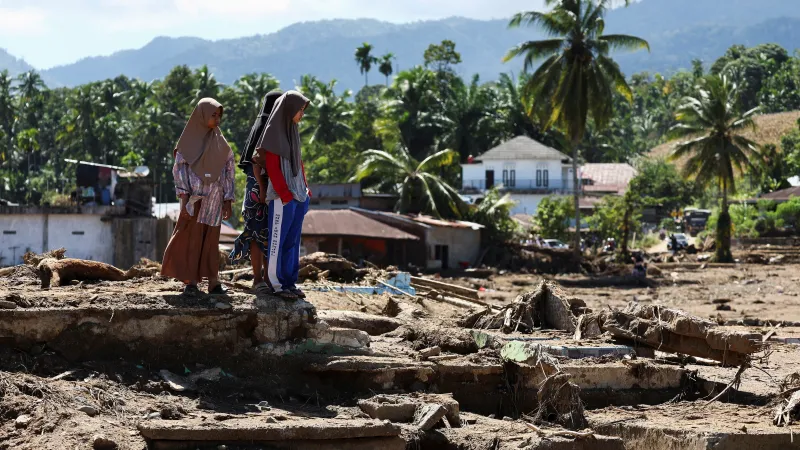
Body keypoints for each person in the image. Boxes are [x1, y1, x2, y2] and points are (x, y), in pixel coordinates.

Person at [161, 98, 235, 296]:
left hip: (215, 201)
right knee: (192, 240)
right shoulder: (187, 143)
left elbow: (229, 170)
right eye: (213, 114)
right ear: (202, 115)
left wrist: (228, 200)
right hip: (195, 200)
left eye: (219, 115)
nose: (217, 119)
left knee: (211, 241)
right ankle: (191, 282)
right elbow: (179, 172)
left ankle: (213, 282)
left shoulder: (221, 143)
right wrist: (184, 201)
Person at [256, 90, 311, 300]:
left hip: (298, 196)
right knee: (277, 241)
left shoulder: (293, 132)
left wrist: (305, 189)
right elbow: (272, 166)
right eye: (300, 110)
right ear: (288, 109)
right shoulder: (273, 134)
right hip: (282, 198)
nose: (301, 115)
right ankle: (277, 285)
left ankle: (289, 282)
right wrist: (284, 194)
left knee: (293, 242)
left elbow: (299, 163)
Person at [230, 90, 283, 294]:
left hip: (261, 187)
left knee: (264, 233)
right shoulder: (266, 128)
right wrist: (262, 188)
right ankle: (259, 279)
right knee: (258, 233)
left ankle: (266, 279)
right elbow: (255, 163)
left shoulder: (263, 126)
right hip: (260, 188)